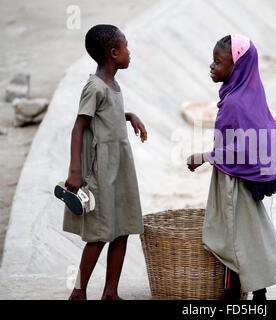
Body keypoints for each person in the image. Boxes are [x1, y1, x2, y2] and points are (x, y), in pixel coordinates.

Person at [187, 34, 276, 300]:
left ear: (237, 67)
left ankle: (234, 297)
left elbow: (244, 148)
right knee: (250, 233)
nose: (212, 66)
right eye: (213, 60)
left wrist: (205, 156)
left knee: (231, 239)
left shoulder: (234, 102)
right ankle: (259, 293)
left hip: (233, 181)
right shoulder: (251, 93)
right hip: (245, 179)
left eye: (219, 62)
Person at [63, 24, 147, 300]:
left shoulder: (113, 85)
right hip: (101, 170)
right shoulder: (94, 86)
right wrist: (75, 171)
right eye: (126, 48)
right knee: (99, 233)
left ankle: (111, 292)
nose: (129, 53)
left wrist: (130, 115)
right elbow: (79, 127)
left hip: (120, 167)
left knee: (122, 229)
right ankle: (79, 291)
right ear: (113, 53)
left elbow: (107, 115)